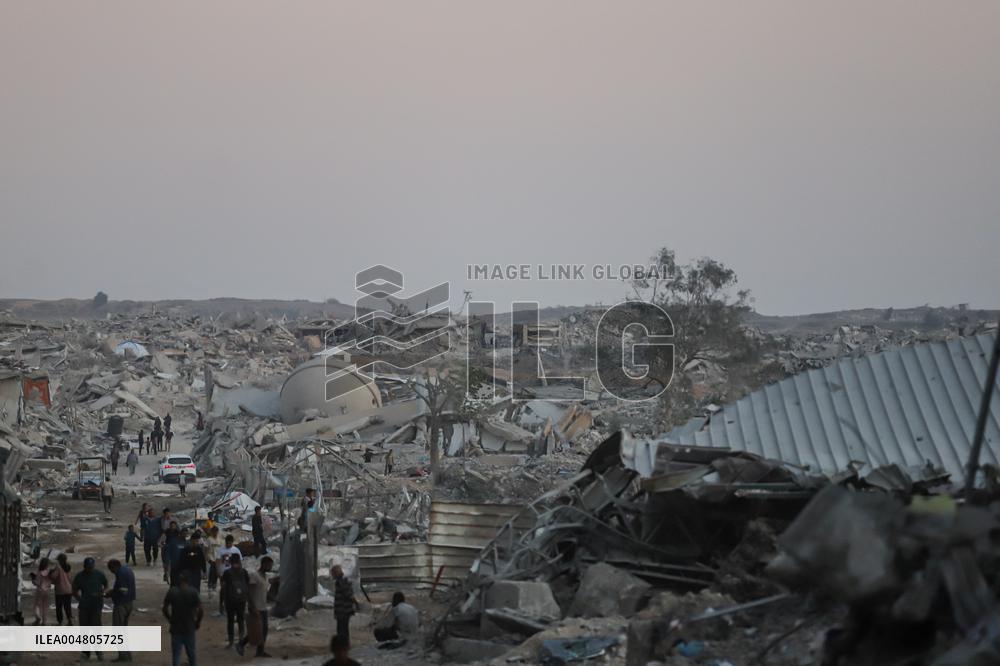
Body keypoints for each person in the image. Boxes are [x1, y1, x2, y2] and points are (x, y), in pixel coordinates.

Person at [163, 572, 203, 666]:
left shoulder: (172, 591)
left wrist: (170, 619)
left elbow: (164, 609)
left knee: (176, 654)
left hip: (176, 627)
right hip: (189, 626)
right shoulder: (193, 592)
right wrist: (197, 622)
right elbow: (201, 610)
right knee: (191, 654)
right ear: (188, 581)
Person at [237, 555, 273, 657]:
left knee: (263, 630)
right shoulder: (254, 575)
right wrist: (252, 606)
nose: (270, 567)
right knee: (256, 630)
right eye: (269, 565)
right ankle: (241, 644)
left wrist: (274, 599)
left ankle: (260, 651)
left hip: (263, 607)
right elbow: (248, 591)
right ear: (264, 564)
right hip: (256, 607)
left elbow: (264, 591)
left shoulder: (265, 577)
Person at [73, 557, 108, 661]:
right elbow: (74, 589)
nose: (90, 569)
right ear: (84, 567)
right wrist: (79, 599)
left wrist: (102, 592)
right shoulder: (79, 576)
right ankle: (85, 653)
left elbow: (106, 584)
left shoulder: (99, 574)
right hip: (84, 607)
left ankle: (99, 652)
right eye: (88, 568)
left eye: (92, 567)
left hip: (96, 606)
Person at [106, 559, 136, 662]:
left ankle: (123, 656)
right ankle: (127, 654)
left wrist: (111, 593)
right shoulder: (127, 570)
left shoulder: (121, 573)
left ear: (114, 567)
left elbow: (123, 590)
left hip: (121, 604)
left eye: (111, 569)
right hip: (129, 602)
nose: (111, 572)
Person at [221, 554, 250, 649]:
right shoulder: (244, 571)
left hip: (230, 600)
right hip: (241, 600)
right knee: (241, 619)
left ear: (230, 561)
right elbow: (247, 586)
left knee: (230, 621)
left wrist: (222, 602)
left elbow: (223, 587)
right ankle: (241, 641)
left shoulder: (227, 572)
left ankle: (231, 642)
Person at [332, 564, 358, 647]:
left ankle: (343, 645)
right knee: (343, 628)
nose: (332, 575)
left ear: (336, 573)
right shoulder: (342, 581)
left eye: (332, 573)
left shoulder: (341, 582)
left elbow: (349, 595)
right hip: (344, 610)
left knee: (342, 629)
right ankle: (344, 644)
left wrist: (356, 603)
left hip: (343, 610)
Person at [215, 534, 242, 615]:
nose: (228, 544)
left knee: (233, 590)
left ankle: (231, 606)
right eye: (227, 543)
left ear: (232, 542)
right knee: (223, 589)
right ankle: (221, 604)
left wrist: (240, 571)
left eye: (230, 543)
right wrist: (218, 572)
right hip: (224, 573)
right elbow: (218, 561)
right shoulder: (221, 550)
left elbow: (240, 561)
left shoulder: (236, 550)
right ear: (225, 542)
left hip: (233, 573)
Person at [50, 553, 74, 626]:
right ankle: (70, 620)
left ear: (60, 560)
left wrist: (51, 572)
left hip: (60, 590)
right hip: (69, 589)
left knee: (59, 607)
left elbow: (53, 576)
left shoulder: (58, 568)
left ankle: (60, 622)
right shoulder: (68, 567)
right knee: (67, 606)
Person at [31, 557, 52, 626]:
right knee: (45, 607)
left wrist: (33, 581)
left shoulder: (39, 572)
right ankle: (44, 622)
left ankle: (38, 618)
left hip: (40, 591)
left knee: (37, 606)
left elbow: (37, 583)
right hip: (47, 591)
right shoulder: (49, 571)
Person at [205, 527, 222, 593]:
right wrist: (206, 556)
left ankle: (214, 584)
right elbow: (206, 548)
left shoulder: (219, 540)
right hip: (211, 557)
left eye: (216, 531)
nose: (215, 533)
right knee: (212, 571)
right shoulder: (209, 539)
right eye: (214, 531)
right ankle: (210, 585)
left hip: (217, 558)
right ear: (212, 532)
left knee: (216, 572)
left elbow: (221, 548)